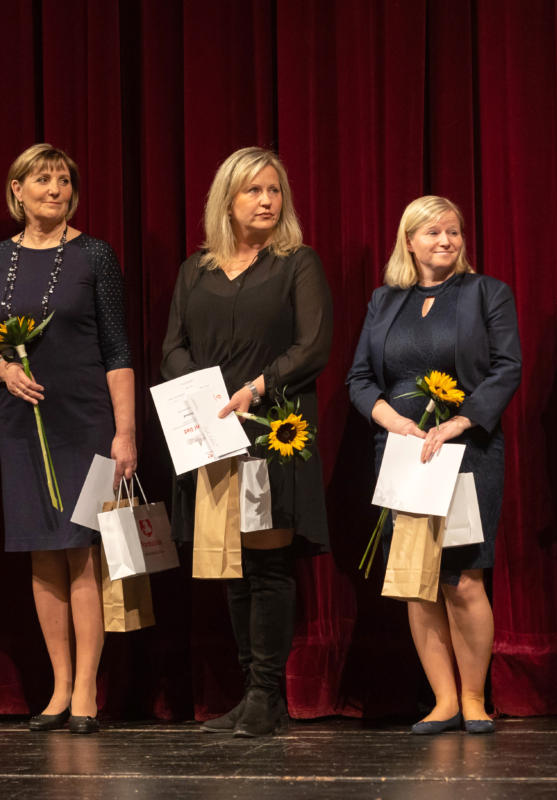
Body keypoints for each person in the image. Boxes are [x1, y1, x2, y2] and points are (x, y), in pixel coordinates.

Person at [0, 144, 136, 735]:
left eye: (64, 180)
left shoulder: (95, 255)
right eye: (42, 180)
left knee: (82, 551)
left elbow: (117, 349)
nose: (55, 190)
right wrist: (2, 369)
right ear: (17, 190)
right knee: (43, 550)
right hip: (21, 425)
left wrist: (125, 432)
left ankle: (88, 685)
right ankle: (59, 684)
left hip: (85, 421)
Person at [161, 146, 332, 738]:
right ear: (226, 201)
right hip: (212, 433)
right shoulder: (197, 269)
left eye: (274, 190)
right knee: (230, 566)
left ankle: (267, 693)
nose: (266, 200)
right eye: (253, 191)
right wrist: (203, 397)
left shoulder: (296, 263)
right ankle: (251, 693)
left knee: (266, 562)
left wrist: (255, 390)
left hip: (270, 429)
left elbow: (313, 346)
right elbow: (172, 346)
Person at [347, 195, 521, 735]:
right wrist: (391, 422)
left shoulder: (485, 293)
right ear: (409, 241)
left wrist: (458, 423)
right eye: (432, 232)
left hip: (465, 449)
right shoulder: (384, 300)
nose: (445, 241)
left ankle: (473, 699)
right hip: (401, 451)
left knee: (463, 575)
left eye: (453, 232)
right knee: (417, 577)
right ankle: (443, 700)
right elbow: (359, 379)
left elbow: (506, 368)